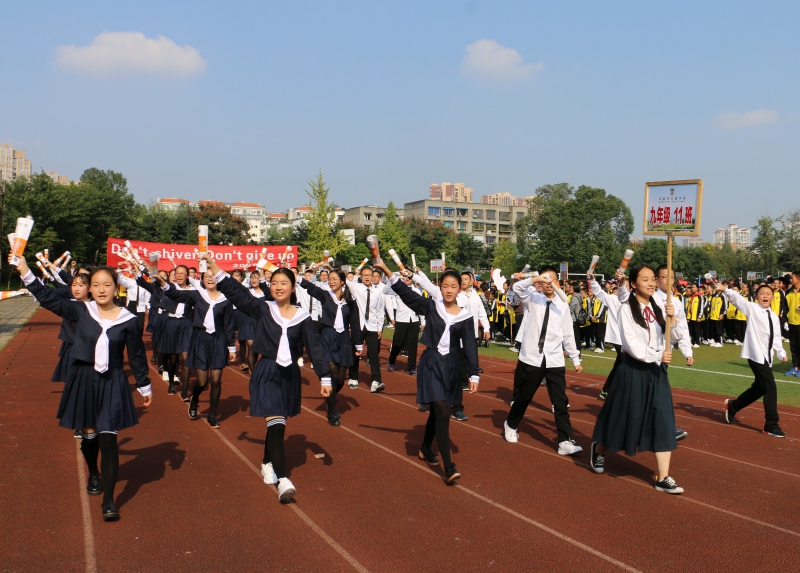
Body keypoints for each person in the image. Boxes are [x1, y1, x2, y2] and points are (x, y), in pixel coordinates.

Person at [14, 256, 152, 520]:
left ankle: (109, 502)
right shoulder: (81, 311)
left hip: (112, 381)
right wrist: (24, 270)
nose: (101, 289)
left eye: (107, 284)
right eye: (96, 284)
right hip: (83, 378)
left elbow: (136, 356)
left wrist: (144, 384)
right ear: (90, 288)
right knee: (89, 437)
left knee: (109, 438)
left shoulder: (128, 320)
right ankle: (94, 472)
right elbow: (47, 298)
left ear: (116, 288)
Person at [203, 255, 332, 502]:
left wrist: (324, 378)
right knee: (276, 424)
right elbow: (237, 294)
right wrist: (214, 266)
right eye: (274, 283)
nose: (279, 287)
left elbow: (315, 349)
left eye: (284, 282)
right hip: (267, 372)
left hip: (289, 375)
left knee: (277, 427)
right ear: (269, 286)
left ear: (293, 287)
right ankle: (283, 480)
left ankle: (266, 462)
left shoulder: (302, 317)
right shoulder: (263, 308)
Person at [373, 259, 479, 484]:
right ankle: (449, 467)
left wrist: (474, 374)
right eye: (445, 286)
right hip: (431, 363)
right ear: (440, 287)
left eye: (453, 286)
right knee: (442, 412)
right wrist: (384, 268)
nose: (449, 290)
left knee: (438, 411)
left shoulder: (466, 316)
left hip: (451, 367)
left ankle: (424, 447)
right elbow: (406, 294)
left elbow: (470, 346)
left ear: (460, 289)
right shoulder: (432, 306)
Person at [590, 264, 683, 494]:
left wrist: (674, 320)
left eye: (653, 278)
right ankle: (599, 449)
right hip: (633, 371)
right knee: (621, 418)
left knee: (662, 420)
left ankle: (664, 477)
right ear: (633, 284)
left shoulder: (662, 306)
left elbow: (673, 339)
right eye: (645, 279)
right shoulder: (625, 309)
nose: (651, 283)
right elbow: (631, 346)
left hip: (657, 372)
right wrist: (657, 355)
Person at [502, 268, 583, 455]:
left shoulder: (563, 305)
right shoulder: (532, 298)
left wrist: (575, 358)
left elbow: (568, 334)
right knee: (524, 397)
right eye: (545, 280)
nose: (548, 283)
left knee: (560, 401)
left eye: (552, 279)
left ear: (558, 282)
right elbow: (518, 287)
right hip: (532, 356)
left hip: (554, 358)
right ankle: (511, 424)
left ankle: (565, 440)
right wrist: (535, 278)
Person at [155, 270, 237, 428]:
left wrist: (231, 346)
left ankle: (212, 415)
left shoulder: (226, 300)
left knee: (216, 380)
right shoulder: (197, 295)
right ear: (202, 280)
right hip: (200, 339)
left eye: (213, 277)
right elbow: (177, 295)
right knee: (202, 380)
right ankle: (195, 398)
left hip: (218, 340)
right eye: (207, 277)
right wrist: (163, 283)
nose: (210, 279)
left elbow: (229, 325)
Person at [717, 281, 788, 437]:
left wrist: (781, 353)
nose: (765, 296)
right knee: (770, 387)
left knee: (761, 387)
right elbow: (738, 300)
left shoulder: (774, 317)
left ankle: (734, 406)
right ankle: (771, 425)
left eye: (768, 294)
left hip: (767, 357)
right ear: (756, 296)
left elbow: (776, 338)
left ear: (773, 298)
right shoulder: (753, 308)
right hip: (755, 354)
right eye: (762, 293)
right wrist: (726, 290)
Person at [297, 269, 362, 426]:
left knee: (340, 380)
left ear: (342, 281)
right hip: (327, 337)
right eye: (330, 279)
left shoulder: (351, 303)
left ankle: (330, 397)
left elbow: (355, 324)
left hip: (344, 340)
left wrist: (358, 344)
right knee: (332, 374)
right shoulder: (326, 296)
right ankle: (332, 412)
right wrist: (297, 278)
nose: (331, 281)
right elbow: (311, 288)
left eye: (335, 279)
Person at [346, 265, 386, 392]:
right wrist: (329, 266)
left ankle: (376, 381)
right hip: (359, 326)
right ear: (361, 277)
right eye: (365, 275)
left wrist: (380, 327)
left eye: (370, 275)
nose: (368, 277)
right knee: (355, 352)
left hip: (373, 326)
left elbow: (380, 309)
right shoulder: (356, 287)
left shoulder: (378, 291)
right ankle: (353, 378)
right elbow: (345, 280)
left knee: (373, 354)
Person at [385, 274, 424, 376]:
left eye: (409, 277)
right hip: (401, 319)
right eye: (405, 277)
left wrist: (423, 321)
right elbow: (385, 291)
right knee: (398, 343)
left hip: (414, 320)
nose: (407, 279)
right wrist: (393, 278)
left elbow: (420, 306)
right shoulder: (398, 289)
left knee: (413, 344)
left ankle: (411, 367)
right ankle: (392, 361)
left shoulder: (416, 291)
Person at [785, 272, 800, 376]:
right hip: (791, 323)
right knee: (793, 347)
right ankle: (795, 367)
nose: (790, 280)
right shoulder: (788, 292)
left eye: (792, 278)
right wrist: (785, 319)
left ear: (798, 279)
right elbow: (785, 307)